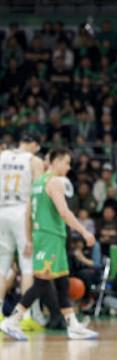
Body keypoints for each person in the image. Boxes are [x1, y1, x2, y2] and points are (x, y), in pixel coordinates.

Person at [0, 147, 98, 340]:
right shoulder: (54, 182)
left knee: (62, 282)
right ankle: (13, 320)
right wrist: (84, 231)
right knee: (42, 283)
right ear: (56, 161)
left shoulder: (36, 183)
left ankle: (73, 325)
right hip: (50, 237)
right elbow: (64, 212)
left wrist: (29, 240)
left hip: (45, 237)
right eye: (66, 162)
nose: (68, 167)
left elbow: (28, 215)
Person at [0, 132, 44, 324]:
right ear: (34, 144)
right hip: (22, 212)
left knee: (2, 267)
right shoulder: (34, 161)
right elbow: (39, 194)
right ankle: (24, 317)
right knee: (27, 267)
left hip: (2, 211)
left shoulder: (2, 156)